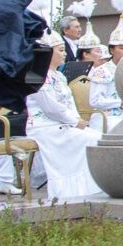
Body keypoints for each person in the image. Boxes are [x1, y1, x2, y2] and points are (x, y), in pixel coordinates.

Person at [23, 49, 103, 203]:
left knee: (96, 137)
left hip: (64, 123)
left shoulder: (59, 76)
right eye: (60, 49)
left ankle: (90, 189)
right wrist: (73, 122)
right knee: (89, 140)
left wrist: (76, 120)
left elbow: (69, 103)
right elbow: (49, 107)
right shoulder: (36, 76)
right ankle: (68, 191)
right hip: (44, 126)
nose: (64, 53)